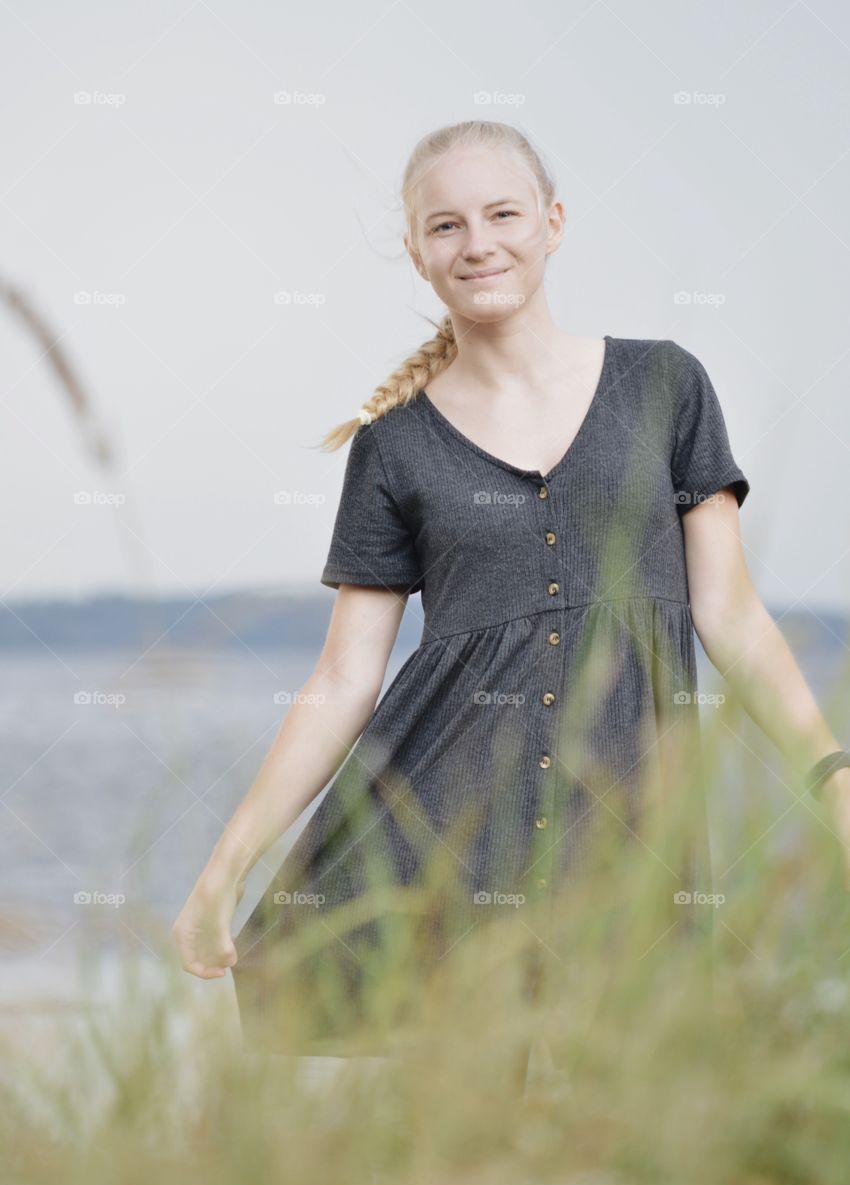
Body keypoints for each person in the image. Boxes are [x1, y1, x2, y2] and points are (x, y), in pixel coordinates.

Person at [171, 120, 850, 1066]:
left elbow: (730, 614)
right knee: (462, 1153)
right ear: (417, 253)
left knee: (629, 1113)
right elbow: (344, 677)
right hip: (445, 833)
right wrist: (225, 867)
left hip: (630, 827)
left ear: (554, 223)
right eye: (446, 226)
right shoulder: (394, 445)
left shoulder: (665, 384)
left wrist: (832, 775)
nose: (478, 242)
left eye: (502, 214)